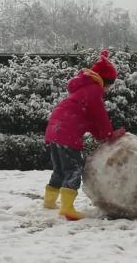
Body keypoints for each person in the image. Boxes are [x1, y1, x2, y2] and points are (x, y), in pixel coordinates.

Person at [43, 50, 126, 220]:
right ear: (106, 81)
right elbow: (99, 116)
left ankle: (49, 201)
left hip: (55, 130)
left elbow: (90, 121)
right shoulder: (94, 90)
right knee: (74, 169)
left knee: (59, 169)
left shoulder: (84, 89)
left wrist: (103, 136)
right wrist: (109, 133)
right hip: (67, 133)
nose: (108, 89)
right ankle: (67, 208)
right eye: (110, 85)